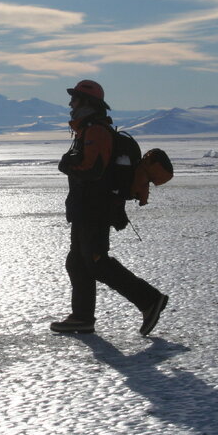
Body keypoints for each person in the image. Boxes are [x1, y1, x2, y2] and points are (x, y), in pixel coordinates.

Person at [50, 80, 169, 336]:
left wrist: (67, 165)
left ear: (86, 103)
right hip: (87, 207)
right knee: (78, 263)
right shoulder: (88, 130)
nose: (71, 104)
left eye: (75, 99)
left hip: (95, 208)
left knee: (97, 262)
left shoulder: (96, 132)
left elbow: (93, 170)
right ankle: (82, 317)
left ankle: (149, 299)